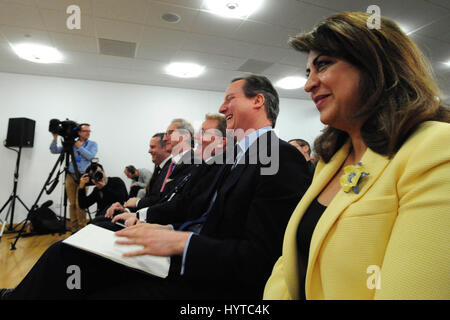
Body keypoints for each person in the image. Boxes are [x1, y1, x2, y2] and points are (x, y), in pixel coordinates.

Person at [2, 75, 312, 300]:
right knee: (70, 250)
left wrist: (180, 240)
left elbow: (262, 258)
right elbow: (202, 212)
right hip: (188, 258)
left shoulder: (279, 156)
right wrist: (171, 231)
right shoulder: (236, 155)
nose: (222, 105)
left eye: (230, 98)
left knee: (79, 267)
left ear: (258, 100)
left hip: (210, 279)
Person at [263, 12, 450, 300]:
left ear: (375, 66)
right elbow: (290, 264)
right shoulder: (330, 160)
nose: (309, 84)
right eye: (307, 73)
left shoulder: (436, 146)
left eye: (323, 65)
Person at [105, 133, 172, 219]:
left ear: (166, 147)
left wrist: (137, 204)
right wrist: (126, 209)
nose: (149, 151)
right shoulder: (158, 168)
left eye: (153, 147)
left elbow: (158, 201)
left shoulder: (170, 169)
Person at [50, 123, 98, 233]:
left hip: (84, 176)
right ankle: (74, 228)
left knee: (80, 203)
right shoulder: (71, 143)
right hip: (71, 175)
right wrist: (55, 138)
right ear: (79, 132)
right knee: (72, 203)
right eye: (86, 131)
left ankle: (82, 228)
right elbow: (54, 150)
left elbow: (90, 156)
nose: (88, 133)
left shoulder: (92, 144)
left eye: (89, 131)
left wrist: (79, 147)